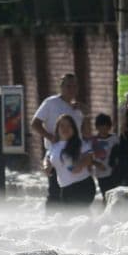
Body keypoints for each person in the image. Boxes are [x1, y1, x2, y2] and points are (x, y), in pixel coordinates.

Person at [31, 74, 85, 213]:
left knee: (74, 188)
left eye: (74, 86)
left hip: (74, 153)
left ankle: (71, 218)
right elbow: (35, 123)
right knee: (55, 189)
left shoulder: (77, 109)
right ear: (61, 87)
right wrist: (50, 136)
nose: (71, 89)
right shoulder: (51, 103)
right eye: (68, 86)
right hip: (55, 153)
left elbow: (81, 131)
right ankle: (51, 220)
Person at [43, 113, 96, 207]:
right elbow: (47, 158)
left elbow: (89, 157)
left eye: (69, 126)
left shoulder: (80, 143)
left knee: (79, 214)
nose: (65, 128)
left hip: (83, 185)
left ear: (74, 129)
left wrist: (81, 165)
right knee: (71, 217)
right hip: (65, 187)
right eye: (62, 126)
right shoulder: (54, 146)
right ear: (57, 129)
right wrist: (47, 166)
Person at [90, 113, 120, 203]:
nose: (103, 129)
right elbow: (88, 158)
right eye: (101, 127)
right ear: (97, 127)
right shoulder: (93, 141)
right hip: (101, 174)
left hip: (114, 172)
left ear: (109, 127)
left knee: (115, 195)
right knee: (105, 195)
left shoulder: (114, 138)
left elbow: (120, 153)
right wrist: (96, 164)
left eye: (106, 127)